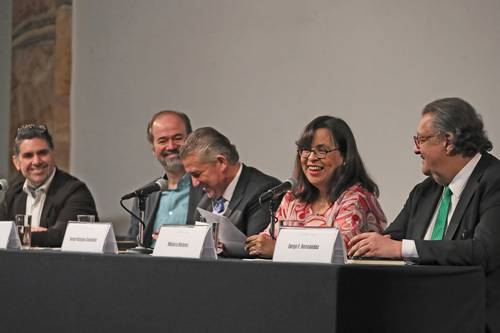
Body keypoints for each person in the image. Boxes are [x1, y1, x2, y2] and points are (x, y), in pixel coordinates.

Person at [347, 97, 500, 333]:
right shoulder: (424, 191)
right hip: (417, 312)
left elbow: (484, 251)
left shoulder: (494, 180)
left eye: (421, 139)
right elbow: (387, 242)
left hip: (472, 319)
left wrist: (402, 249)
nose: (415, 148)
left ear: (448, 141)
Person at [245, 115, 387, 258]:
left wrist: (278, 250)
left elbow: (337, 252)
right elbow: (266, 240)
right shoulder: (294, 197)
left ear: (344, 157)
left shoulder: (356, 198)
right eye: (305, 150)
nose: (311, 158)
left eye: (322, 151)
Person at [179, 126, 281, 256]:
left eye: (197, 174)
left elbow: (255, 251)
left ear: (221, 162)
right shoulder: (204, 197)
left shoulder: (264, 192)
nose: (194, 183)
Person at [0, 124, 98, 247]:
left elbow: (64, 237)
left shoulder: (75, 191)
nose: (36, 161)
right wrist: (36, 234)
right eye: (28, 155)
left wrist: (22, 234)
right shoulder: (13, 193)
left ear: (53, 154)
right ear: (16, 162)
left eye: (42, 153)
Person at [127, 111, 203, 247]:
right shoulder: (144, 195)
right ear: (153, 149)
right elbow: (133, 245)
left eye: (178, 138)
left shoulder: (208, 188)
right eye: (162, 140)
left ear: (191, 141)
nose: (171, 146)